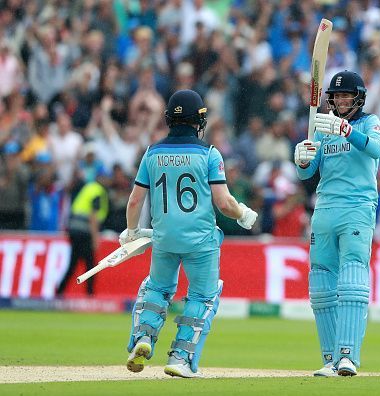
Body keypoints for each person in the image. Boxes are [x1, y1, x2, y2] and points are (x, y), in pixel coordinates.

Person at [122, 90, 257, 378]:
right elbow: (223, 203)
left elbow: (135, 200)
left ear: (169, 119)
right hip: (201, 241)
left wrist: (132, 230)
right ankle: (181, 357)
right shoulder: (209, 153)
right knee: (203, 296)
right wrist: (244, 213)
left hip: (164, 238)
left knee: (157, 289)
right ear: (199, 121)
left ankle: (144, 337)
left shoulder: (152, 152)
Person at [294, 70, 380, 376]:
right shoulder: (321, 128)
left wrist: (347, 131)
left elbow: (375, 149)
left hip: (357, 207)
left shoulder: (369, 123)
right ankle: (331, 358)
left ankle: (348, 356)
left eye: (347, 96)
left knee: (352, 280)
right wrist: (303, 159)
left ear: (358, 98)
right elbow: (307, 175)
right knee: (320, 284)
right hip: (325, 208)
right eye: (337, 96)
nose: (342, 101)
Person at [56, 171, 110, 296]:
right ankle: (89, 294)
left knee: (73, 265)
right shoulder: (98, 191)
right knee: (91, 266)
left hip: (74, 230)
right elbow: (93, 215)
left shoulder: (88, 188)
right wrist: (95, 237)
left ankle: (59, 292)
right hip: (84, 232)